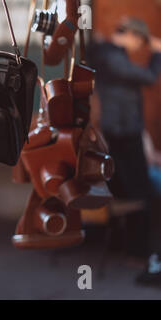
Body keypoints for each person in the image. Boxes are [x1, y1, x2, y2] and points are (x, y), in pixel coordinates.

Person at [87, 17, 161, 285]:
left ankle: (136, 251)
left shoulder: (112, 55)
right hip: (122, 136)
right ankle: (142, 254)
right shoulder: (111, 56)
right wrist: (157, 53)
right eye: (139, 41)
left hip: (125, 134)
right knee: (143, 194)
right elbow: (150, 77)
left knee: (137, 192)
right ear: (130, 35)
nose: (139, 46)